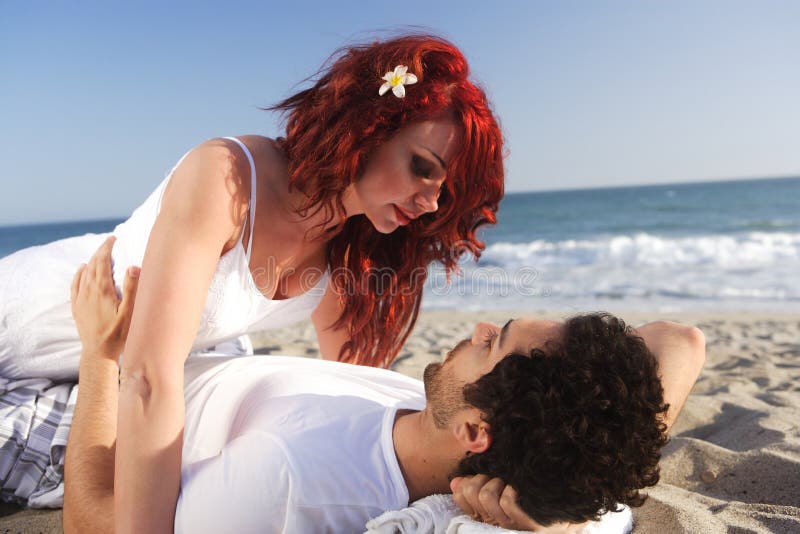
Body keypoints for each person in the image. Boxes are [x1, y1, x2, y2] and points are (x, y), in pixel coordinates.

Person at [0, 34, 504, 528]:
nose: (432, 202)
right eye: (422, 167)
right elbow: (149, 377)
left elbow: (353, 394)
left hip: (97, 370)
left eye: (446, 188)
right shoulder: (227, 177)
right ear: (370, 126)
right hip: (35, 318)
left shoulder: (350, 249)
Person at [60, 237, 705, 533]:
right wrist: (569, 512)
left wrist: (99, 352)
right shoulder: (517, 453)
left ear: (476, 431)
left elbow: (95, 520)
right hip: (209, 360)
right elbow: (682, 340)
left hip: (93, 409)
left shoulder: (289, 483)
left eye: (494, 341)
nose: (477, 326)